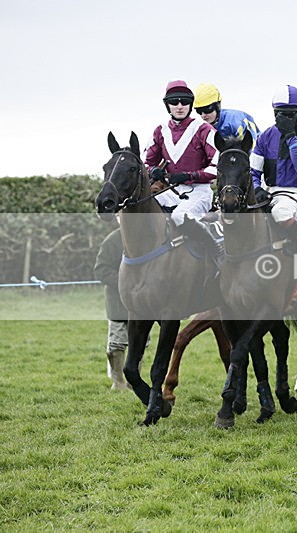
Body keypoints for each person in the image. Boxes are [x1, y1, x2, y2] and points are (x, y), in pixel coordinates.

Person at [250, 84, 297, 272]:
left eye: (291, 114)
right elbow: (253, 171)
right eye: (281, 113)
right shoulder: (265, 137)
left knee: (281, 213)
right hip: (273, 193)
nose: (286, 118)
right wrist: (257, 188)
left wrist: (291, 136)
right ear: (274, 112)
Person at [144, 80, 223, 264]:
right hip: (171, 191)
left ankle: (217, 253)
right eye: (174, 101)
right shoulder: (160, 131)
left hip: (200, 192)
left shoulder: (204, 129)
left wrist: (191, 176)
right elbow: (146, 164)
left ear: (190, 104)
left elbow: (217, 167)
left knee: (180, 216)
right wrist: (154, 170)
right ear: (167, 105)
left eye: (185, 101)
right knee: (143, 207)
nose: (180, 106)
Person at [94, 226, 129, 390]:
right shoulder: (113, 240)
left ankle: (132, 382)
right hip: (117, 302)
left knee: (140, 344)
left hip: (141, 304)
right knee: (116, 343)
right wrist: (125, 284)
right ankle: (118, 382)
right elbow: (101, 269)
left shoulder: (147, 237)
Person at [193, 82, 260, 143]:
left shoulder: (236, 122)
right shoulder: (201, 128)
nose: (203, 115)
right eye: (199, 111)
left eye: (207, 110)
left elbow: (251, 148)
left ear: (218, 106)